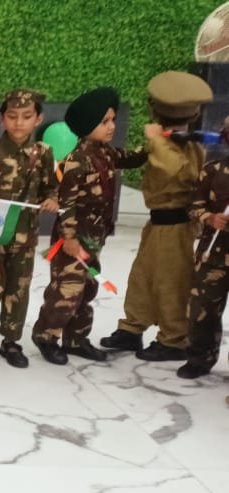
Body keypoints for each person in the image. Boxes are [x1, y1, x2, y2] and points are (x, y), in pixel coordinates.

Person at [101, 71, 213, 362]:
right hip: (158, 223)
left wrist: (156, 141)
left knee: (171, 283)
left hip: (175, 224)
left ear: (154, 109)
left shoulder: (186, 145)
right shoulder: (169, 140)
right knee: (142, 277)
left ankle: (174, 339)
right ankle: (132, 327)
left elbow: (175, 169)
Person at [31, 88, 146, 364]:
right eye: (104, 122)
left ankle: (76, 339)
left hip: (94, 238)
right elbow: (66, 204)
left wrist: (154, 145)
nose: (112, 126)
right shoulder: (77, 161)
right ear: (87, 125)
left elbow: (132, 158)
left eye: (113, 120)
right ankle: (46, 336)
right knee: (66, 290)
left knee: (87, 288)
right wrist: (69, 238)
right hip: (73, 241)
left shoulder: (106, 153)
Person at [0, 89, 59, 369]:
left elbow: (51, 188)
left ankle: (11, 340)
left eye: (26, 116)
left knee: (18, 287)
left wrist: (52, 200)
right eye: (12, 116)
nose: (19, 122)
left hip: (24, 235)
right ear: (2, 118)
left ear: (38, 119)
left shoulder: (43, 153)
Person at [176, 118, 229, 380]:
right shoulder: (212, 170)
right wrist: (209, 218)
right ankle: (199, 357)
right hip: (213, 254)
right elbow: (193, 205)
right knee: (202, 311)